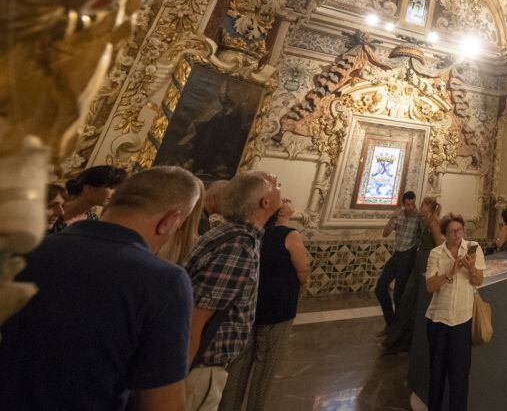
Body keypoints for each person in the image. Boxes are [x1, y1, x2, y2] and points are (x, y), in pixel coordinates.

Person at [0, 166, 200, 411]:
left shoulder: (20, 250)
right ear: (168, 222)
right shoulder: (164, 282)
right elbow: (161, 403)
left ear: (109, 205)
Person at [185, 172, 282, 411]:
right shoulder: (238, 245)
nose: (281, 189)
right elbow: (196, 318)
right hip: (199, 367)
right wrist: (174, 377)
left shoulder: (229, 233)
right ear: (265, 202)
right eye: (276, 186)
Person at [219, 198, 311, 411]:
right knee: (266, 365)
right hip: (277, 307)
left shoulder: (252, 231)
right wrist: (303, 286)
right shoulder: (288, 234)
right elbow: (302, 268)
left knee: (239, 365)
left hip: (249, 306)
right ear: (281, 213)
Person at [425, 213, 486, 411]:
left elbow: (478, 281)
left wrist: (470, 268)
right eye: (451, 231)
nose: (455, 235)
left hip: (462, 320)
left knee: (460, 375)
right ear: (444, 234)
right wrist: (450, 272)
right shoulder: (436, 253)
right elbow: (430, 286)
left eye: (458, 230)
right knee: (437, 373)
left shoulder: (472, 249)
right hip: (438, 319)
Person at [383, 196, 444, 354]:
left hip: (426, 263)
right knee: (408, 297)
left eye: (422, 204)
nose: (419, 206)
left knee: (413, 297)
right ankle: (400, 335)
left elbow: (438, 246)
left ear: (429, 207)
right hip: (419, 261)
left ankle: (408, 336)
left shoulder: (433, 222)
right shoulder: (425, 220)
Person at [375, 190, 422, 335]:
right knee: (380, 288)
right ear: (403, 203)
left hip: (408, 256)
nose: (410, 207)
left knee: (399, 294)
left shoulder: (418, 217)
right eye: (408, 204)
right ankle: (391, 322)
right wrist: (391, 219)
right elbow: (385, 233)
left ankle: (398, 329)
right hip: (397, 254)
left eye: (413, 204)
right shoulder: (399, 214)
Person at [52, 164, 128, 232]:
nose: (115, 193)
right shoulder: (54, 208)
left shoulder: (93, 220)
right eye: (111, 187)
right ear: (88, 188)